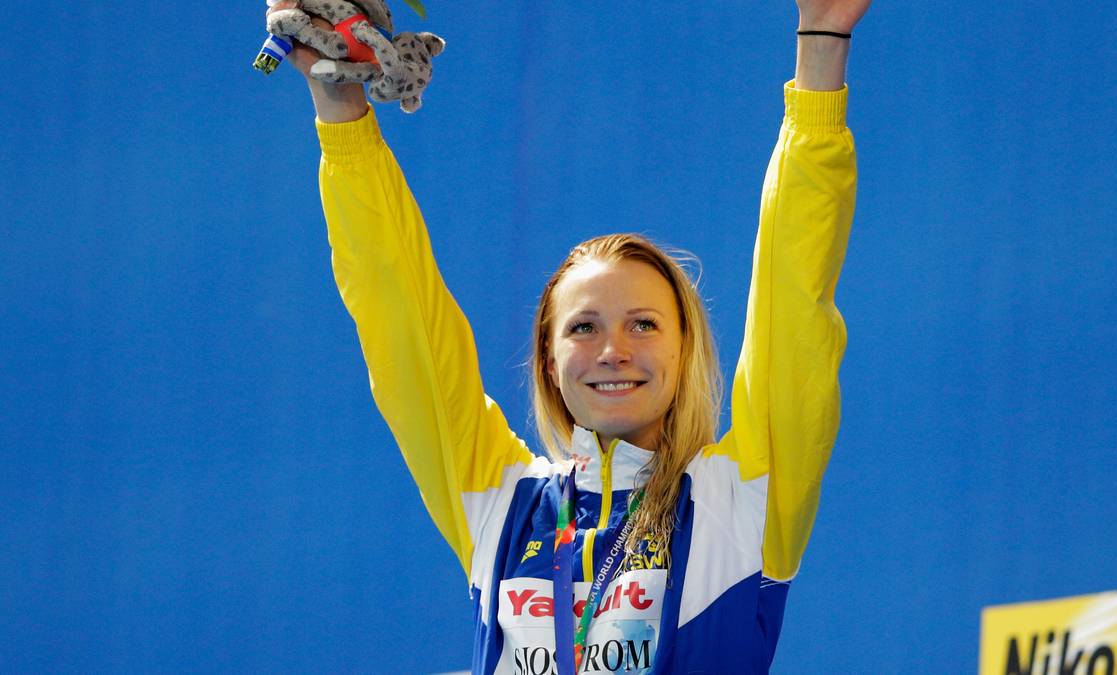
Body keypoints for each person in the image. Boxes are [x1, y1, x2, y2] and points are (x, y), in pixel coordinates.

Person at [271, 0, 870, 671]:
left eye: (643, 324)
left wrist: (821, 44)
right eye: (584, 328)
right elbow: (398, 313)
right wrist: (339, 104)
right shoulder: (497, 499)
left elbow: (794, 295)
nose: (613, 349)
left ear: (685, 349)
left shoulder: (745, 497)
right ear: (551, 363)